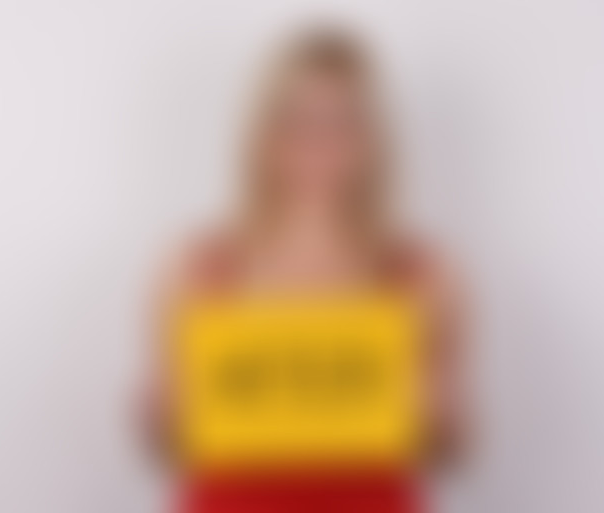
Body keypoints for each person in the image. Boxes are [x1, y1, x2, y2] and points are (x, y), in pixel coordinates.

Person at [142, 25, 464, 513]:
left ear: (373, 139)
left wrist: (440, 414)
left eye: (341, 121)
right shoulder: (198, 266)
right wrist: (162, 411)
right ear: (263, 134)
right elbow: (167, 446)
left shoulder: (423, 272)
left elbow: (450, 450)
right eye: (297, 120)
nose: (318, 140)